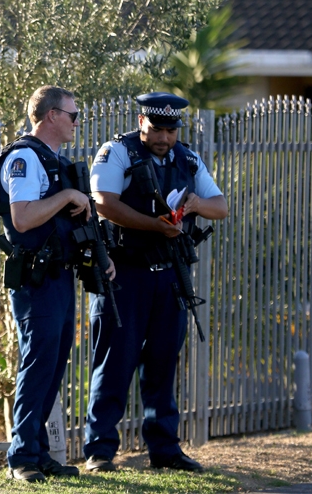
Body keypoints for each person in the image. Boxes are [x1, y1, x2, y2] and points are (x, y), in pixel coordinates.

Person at [83, 92, 228, 473]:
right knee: (114, 363)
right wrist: (155, 226)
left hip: (170, 275)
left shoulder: (187, 158)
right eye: (156, 129)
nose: (164, 137)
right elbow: (103, 202)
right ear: (141, 121)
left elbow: (220, 206)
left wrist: (195, 205)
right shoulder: (118, 151)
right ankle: (100, 451)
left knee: (163, 364)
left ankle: (165, 450)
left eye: (170, 130)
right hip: (125, 273)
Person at [0, 85, 114, 482]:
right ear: (51, 116)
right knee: (38, 364)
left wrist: (101, 258)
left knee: (53, 365)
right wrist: (67, 196)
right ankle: (22, 458)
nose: (77, 122)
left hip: (59, 276)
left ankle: (38, 453)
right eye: (72, 115)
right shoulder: (24, 157)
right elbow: (23, 218)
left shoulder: (52, 160)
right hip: (36, 280)